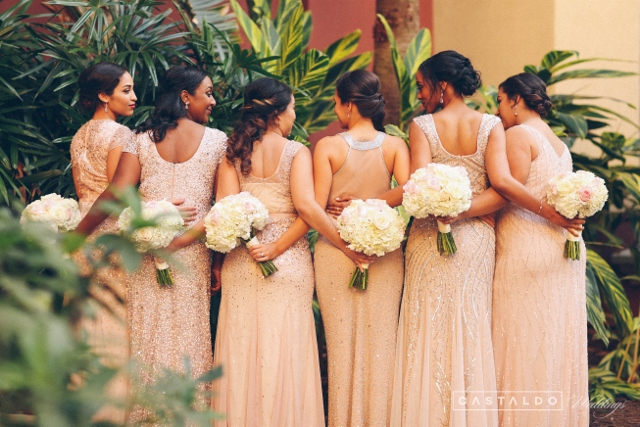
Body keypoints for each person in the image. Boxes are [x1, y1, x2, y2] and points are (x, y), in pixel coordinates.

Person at [167, 77, 368, 426]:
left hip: (242, 262)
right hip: (287, 261)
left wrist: (219, 258)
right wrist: (344, 247)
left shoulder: (233, 153)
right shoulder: (296, 151)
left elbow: (228, 210)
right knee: (286, 351)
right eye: (292, 109)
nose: (294, 116)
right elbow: (307, 208)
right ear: (277, 113)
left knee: (241, 350)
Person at [75, 65, 226, 424]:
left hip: (147, 248)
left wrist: (149, 216)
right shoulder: (218, 140)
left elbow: (119, 193)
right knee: (190, 336)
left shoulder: (139, 138)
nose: (213, 100)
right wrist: (216, 261)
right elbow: (223, 208)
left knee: (148, 337)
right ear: (186, 96)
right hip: (192, 251)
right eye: (207, 92)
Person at [389, 51, 502, 426]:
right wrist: (465, 209)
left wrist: (447, 210)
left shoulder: (421, 126)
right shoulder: (491, 125)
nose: (418, 94)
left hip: (430, 237)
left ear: (443, 86)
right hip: (477, 236)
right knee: (470, 324)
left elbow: (417, 187)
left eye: (422, 86)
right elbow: (500, 190)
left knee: (428, 326)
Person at [487, 72, 588, 426]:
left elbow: (507, 190)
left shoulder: (518, 135)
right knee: (552, 336)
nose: (497, 109)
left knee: (520, 336)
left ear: (516, 99)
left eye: (500, 100)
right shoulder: (559, 143)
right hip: (560, 246)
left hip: (526, 243)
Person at [312, 69, 409, 427]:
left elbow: (318, 205)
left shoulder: (328, 146)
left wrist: (357, 207)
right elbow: (410, 190)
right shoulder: (395, 145)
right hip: (383, 251)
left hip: (336, 250)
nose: (336, 110)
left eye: (337, 103)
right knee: (380, 345)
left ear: (349, 105)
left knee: (341, 349)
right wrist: (375, 205)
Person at [70, 62, 136, 423]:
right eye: (126, 90)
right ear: (103, 95)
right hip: (107, 236)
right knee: (113, 323)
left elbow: (85, 192)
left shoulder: (79, 135)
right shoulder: (120, 135)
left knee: (86, 322)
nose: (135, 97)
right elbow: (115, 192)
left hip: (83, 237)